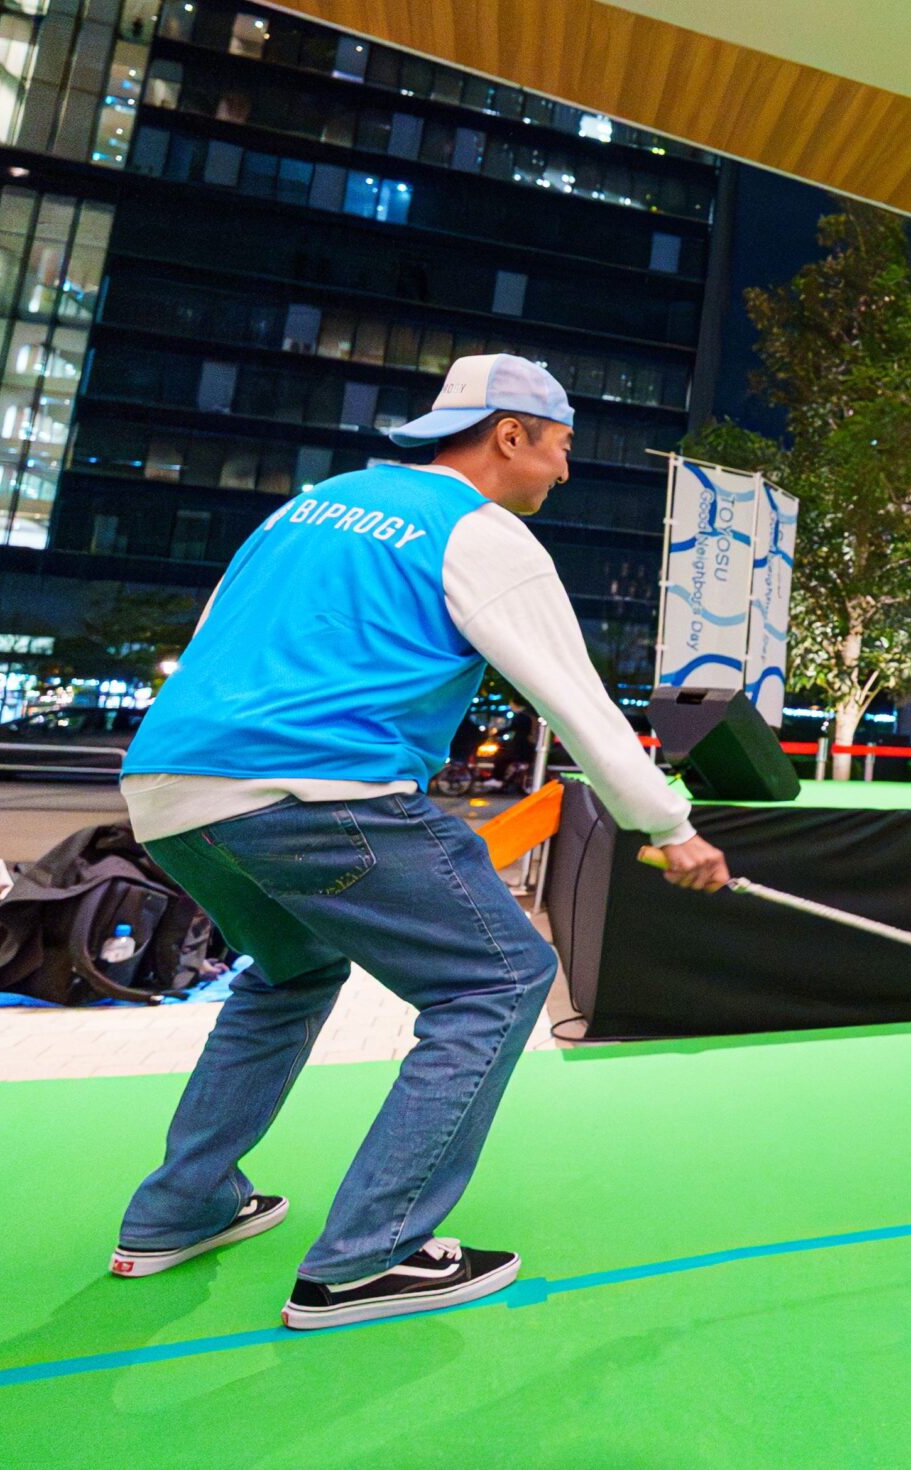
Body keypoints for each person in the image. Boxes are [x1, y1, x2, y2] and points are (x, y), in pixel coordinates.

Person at [109, 354, 732, 1329]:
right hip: (316, 790)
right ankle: (371, 1254)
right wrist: (672, 828)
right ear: (510, 435)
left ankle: (178, 1212)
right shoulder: (481, 532)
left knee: (293, 970)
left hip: (169, 790)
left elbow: (217, 636)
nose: (566, 470)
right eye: (563, 446)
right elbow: (577, 705)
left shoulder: (310, 507)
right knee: (500, 979)